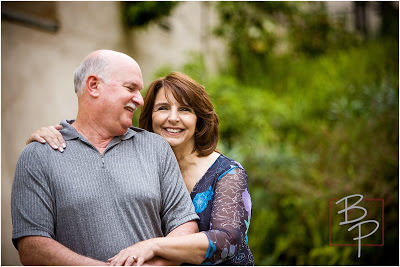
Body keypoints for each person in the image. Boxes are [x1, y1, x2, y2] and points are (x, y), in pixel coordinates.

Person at [27, 72, 254, 265]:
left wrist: (153, 245)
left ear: (199, 120)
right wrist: (45, 142)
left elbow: (227, 240)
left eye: (185, 110)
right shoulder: (138, 160)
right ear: (150, 116)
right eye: (163, 108)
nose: (173, 118)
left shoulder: (227, 173)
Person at [11, 50, 199, 266]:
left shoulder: (156, 148)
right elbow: (33, 248)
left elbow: (185, 225)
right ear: (93, 85)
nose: (140, 100)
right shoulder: (39, 155)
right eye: (130, 88)